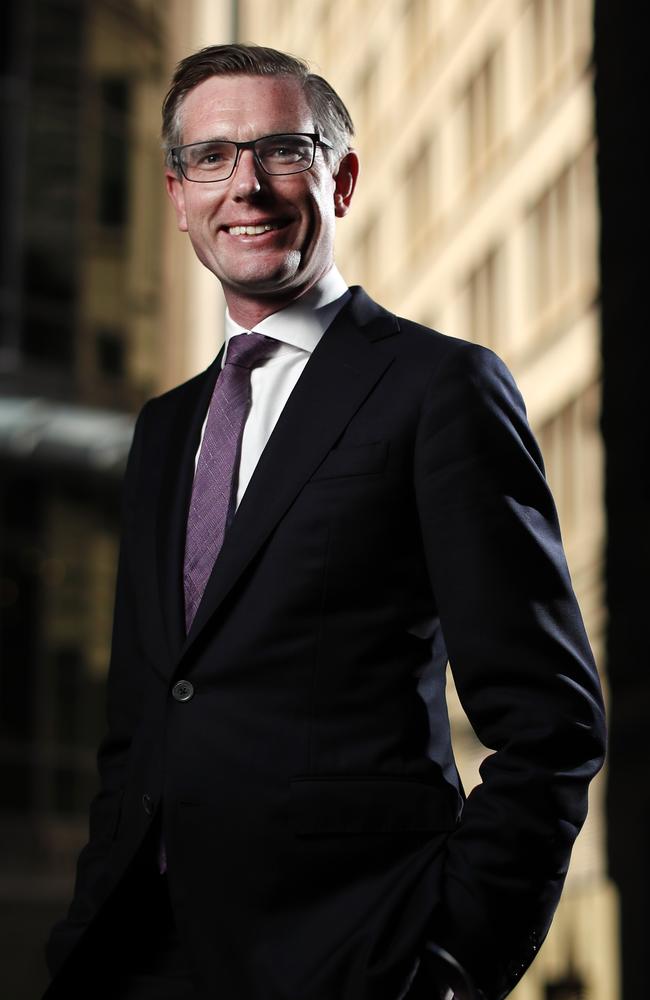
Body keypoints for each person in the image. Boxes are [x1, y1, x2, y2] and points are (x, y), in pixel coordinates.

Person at [43, 44, 606, 1000]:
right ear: (178, 195)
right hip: (140, 958)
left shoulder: (439, 389)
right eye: (213, 158)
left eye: (281, 150)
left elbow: (551, 725)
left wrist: (454, 960)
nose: (247, 187)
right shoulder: (163, 427)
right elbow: (141, 723)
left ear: (339, 179)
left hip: (350, 957)